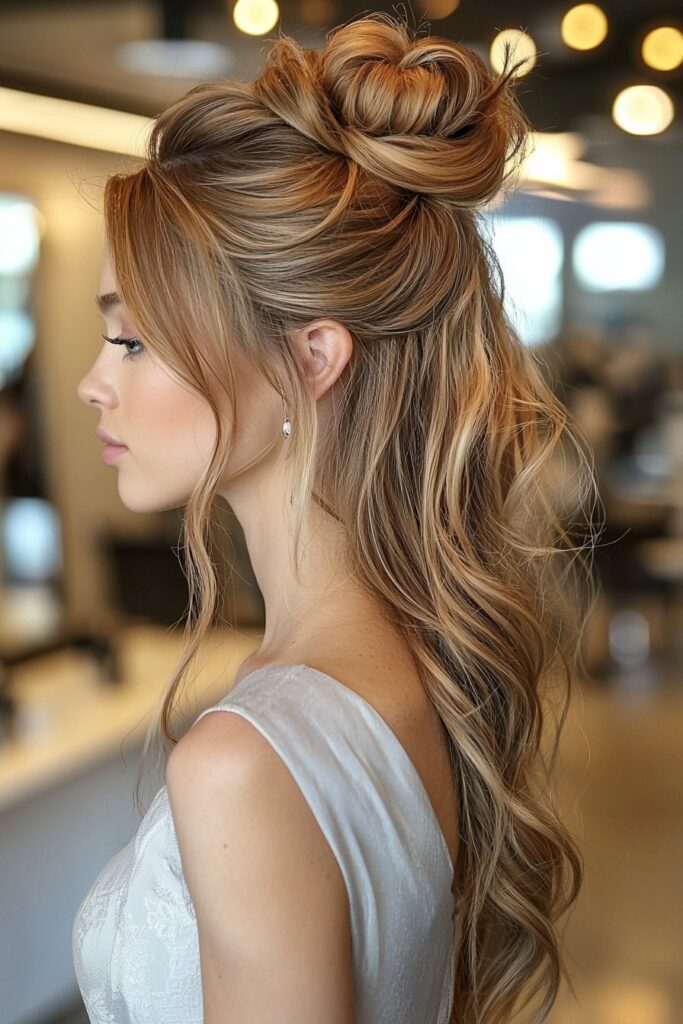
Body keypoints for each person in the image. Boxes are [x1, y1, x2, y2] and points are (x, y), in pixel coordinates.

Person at [74, 12, 599, 1024]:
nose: (96, 384)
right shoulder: (407, 664)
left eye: (132, 342)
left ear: (312, 358)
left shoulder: (245, 759)